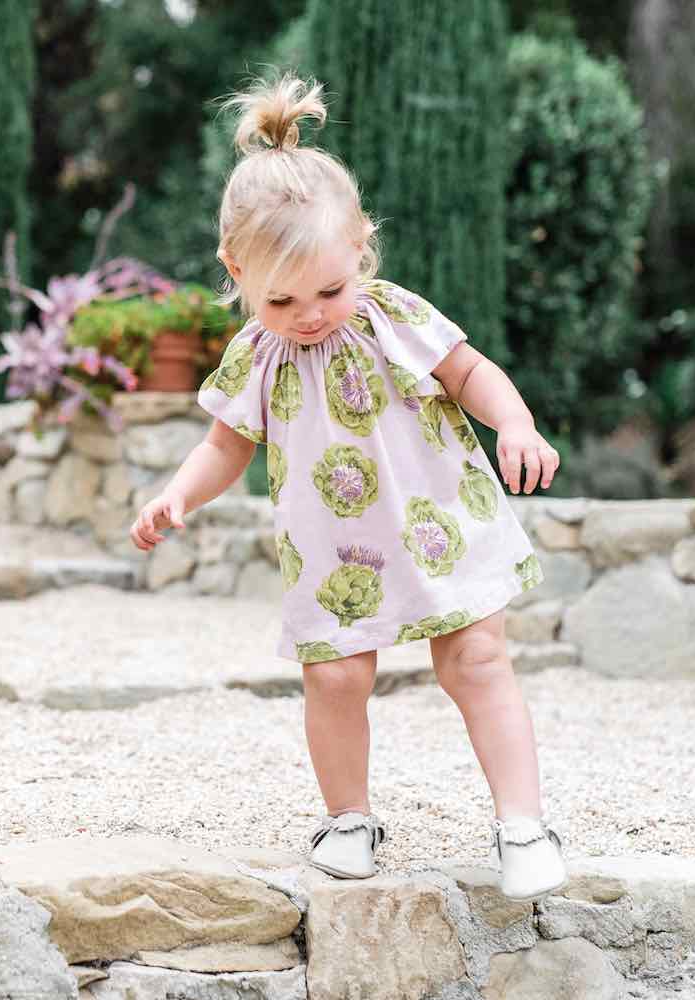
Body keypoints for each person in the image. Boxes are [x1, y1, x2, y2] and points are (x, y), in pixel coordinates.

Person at [129, 71, 567, 902]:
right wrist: (178, 494)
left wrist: (514, 423)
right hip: (338, 550)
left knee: (476, 660)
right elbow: (226, 446)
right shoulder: (256, 356)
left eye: (329, 289)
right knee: (335, 677)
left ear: (360, 243)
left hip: (440, 516)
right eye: (280, 297)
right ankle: (349, 818)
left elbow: (470, 372)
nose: (309, 314)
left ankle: (524, 823)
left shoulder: (391, 314)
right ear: (236, 269)